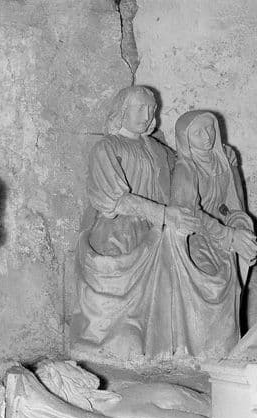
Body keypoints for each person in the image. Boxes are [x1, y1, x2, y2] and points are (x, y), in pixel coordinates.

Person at [71, 86, 199, 361]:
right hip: (116, 229)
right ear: (122, 112)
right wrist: (163, 214)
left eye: (151, 109)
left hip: (155, 230)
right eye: (140, 108)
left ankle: (154, 342)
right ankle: (106, 342)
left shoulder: (157, 150)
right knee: (111, 272)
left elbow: (186, 166)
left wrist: (214, 157)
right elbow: (113, 200)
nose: (147, 115)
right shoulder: (107, 147)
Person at [168, 110, 257, 357]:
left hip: (220, 240)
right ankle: (201, 349)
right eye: (198, 132)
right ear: (185, 138)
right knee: (211, 284)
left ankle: (225, 350)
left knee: (231, 286)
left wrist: (240, 227)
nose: (207, 136)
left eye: (210, 129)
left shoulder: (222, 162)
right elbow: (188, 213)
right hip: (194, 240)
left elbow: (230, 205)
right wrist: (228, 235)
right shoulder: (185, 168)